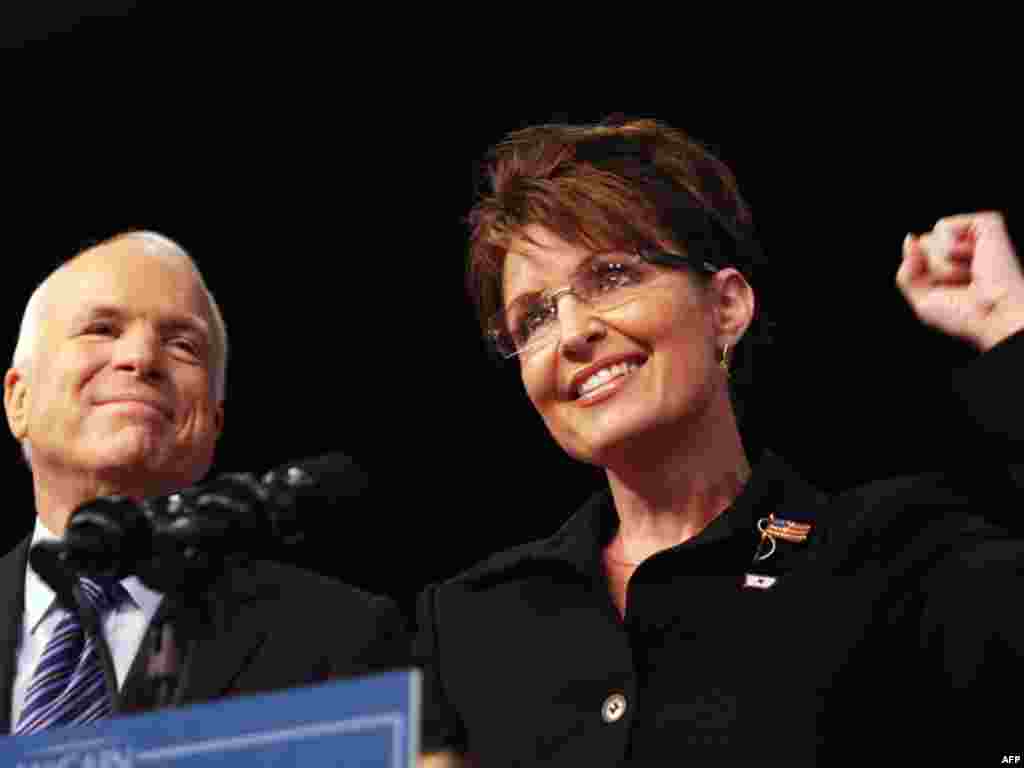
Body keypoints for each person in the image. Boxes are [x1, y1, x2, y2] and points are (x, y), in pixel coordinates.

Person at [413, 118, 1024, 765]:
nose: (570, 334)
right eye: (533, 316)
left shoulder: (887, 554)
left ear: (726, 307)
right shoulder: (467, 623)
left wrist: (1008, 326)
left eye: (613, 276)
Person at [0, 231, 408, 734]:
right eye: (102, 329)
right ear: (18, 400)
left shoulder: (343, 638)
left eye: (183, 345)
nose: (142, 358)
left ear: (214, 422)